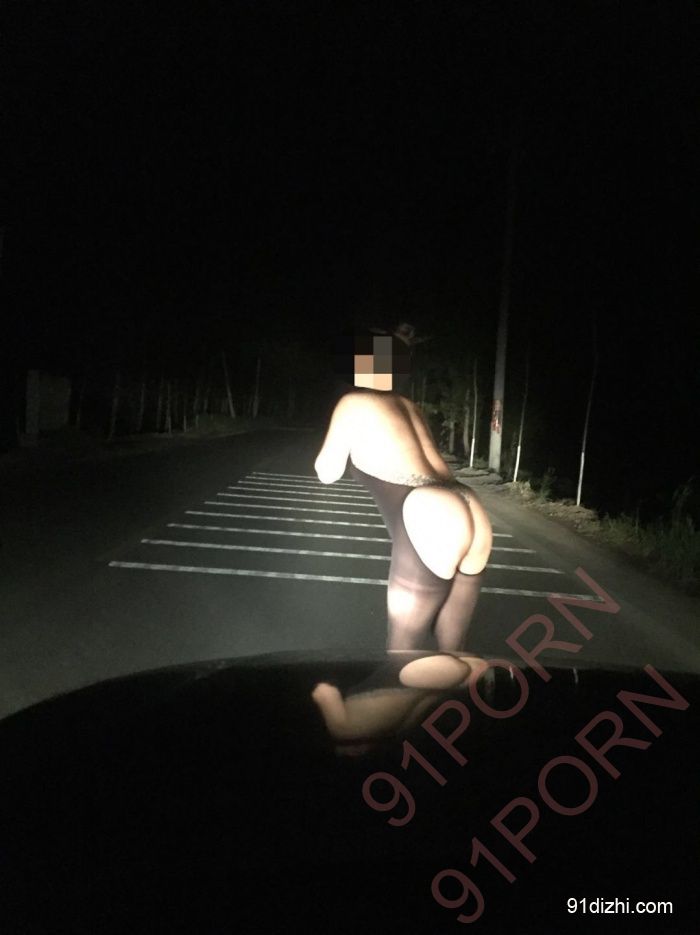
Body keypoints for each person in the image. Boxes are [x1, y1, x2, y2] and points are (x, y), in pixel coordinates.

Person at [314, 326, 493, 651]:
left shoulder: (352, 403)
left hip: (431, 511)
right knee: (453, 649)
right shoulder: (411, 408)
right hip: (469, 504)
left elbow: (327, 472)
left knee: (402, 654)